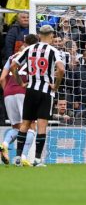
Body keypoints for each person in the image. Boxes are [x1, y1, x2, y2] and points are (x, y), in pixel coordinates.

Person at [9, 25, 65, 167]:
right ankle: (38, 160)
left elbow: (13, 66)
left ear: (39, 35)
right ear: (51, 35)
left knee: (25, 123)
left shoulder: (28, 49)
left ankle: (17, 158)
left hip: (30, 90)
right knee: (41, 125)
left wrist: (21, 82)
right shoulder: (53, 51)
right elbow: (61, 69)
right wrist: (56, 86)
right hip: (46, 91)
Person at [0, 36, 37, 166]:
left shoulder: (11, 58)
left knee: (16, 127)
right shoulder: (33, 57)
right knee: (31, 127)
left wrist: (8, 91)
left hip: (8, 93)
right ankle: (24, 157)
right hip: (23, 92)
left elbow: (2, 78)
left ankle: (4, 144)